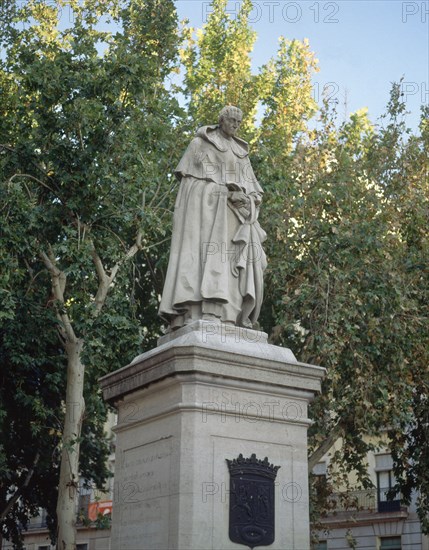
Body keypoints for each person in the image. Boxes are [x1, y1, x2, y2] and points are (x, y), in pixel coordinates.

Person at [159, 106, 267, 330]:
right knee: (205, 261)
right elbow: (189, 187)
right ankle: (201, 311)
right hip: (205, 221)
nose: (236, 126)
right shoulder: (200, 145)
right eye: (232, 121)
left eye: (239, 122)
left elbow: (255, 192)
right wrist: (224, 192)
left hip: (235, 222)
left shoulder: (240, 152)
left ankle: (231, 317)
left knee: (234, 266)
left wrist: (247, 200)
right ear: (222, 120)